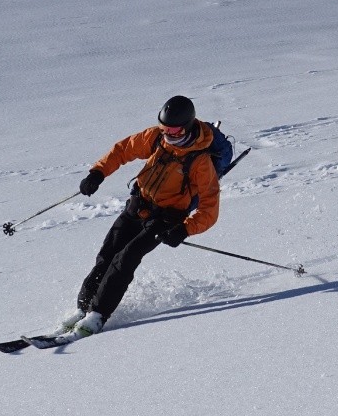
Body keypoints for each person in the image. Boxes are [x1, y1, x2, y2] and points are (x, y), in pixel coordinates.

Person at [58, 94, 221, 339]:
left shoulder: (200, 162)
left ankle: (97, 315)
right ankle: (83, 309)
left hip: (166, 219)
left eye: (174, 129)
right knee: (107, 255)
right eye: (164, 127)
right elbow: (123, 150)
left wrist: (185, 229)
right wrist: (98, 172)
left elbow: (209, 209)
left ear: (187, 127)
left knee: (126, 259)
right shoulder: (156, 138)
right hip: (138, 205)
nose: (168, 133)